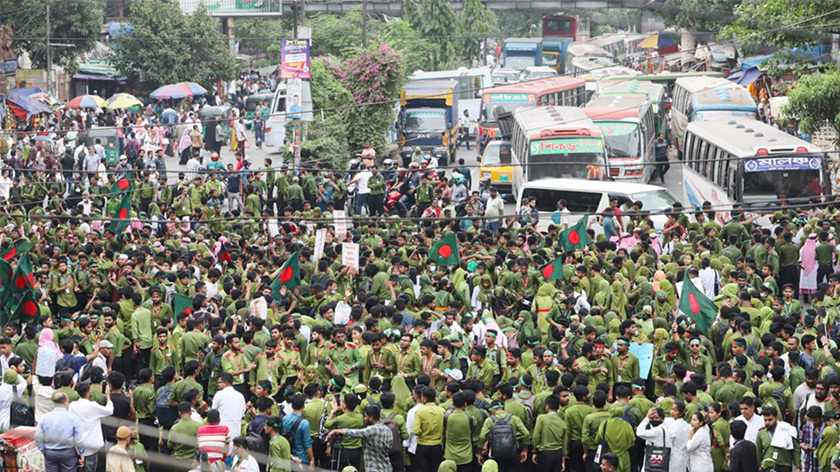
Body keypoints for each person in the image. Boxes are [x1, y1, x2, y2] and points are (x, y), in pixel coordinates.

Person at [327, 404, 394, 472]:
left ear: (371, 417)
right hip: (386, 467)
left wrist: (337, 430)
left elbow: (355, 433)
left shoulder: (372, 430)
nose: (365, 418)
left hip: (374, 468)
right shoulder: (388, 429)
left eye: (366, 416)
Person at [68, 381, 114, 472]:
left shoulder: (72, 406)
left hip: (78, 444)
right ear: (89, 391)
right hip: (92, 445)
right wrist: (108, 396)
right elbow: (110, 410)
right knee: (90, 468)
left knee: (79, 468)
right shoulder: (92, 406)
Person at [34, 392, 83, 472]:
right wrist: (81, 453)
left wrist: (44, 450)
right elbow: (78, 439)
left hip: (50, 453)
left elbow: (38, 436)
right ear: (65, 402)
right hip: (67, 453)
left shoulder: (44, 418)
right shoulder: (72, 418)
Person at [211, 373, 247, 439]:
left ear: (226, 383)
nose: (217, 384)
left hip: (221, 432)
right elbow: (243, 412)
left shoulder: (219, 394)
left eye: (219, 382)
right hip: (236, 432)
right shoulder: (240, 395)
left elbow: (213, 411)